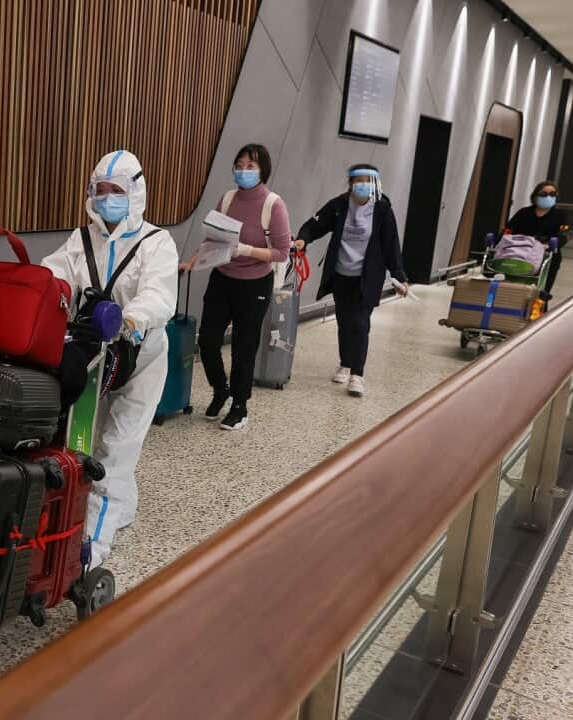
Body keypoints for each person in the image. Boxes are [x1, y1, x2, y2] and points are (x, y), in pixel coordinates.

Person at [41, 149, 178, 569]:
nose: (106, 199)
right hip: (91, 355)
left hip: (140, 356)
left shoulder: (157, 243)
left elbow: (158, 293)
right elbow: (53, 275)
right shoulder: (82, 240)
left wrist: (134, 317)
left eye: (116, 191)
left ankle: (89, 552)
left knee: (115, 449)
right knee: (77, 439)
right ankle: (116, 509)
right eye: (100, 191)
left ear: (135, 194)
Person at [183, 143, 292, 431]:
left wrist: (246, 249)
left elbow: (282, 252)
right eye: (239, 165)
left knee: (244, 348)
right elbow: (213, 238)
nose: (243, 171)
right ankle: (221, 389)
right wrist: (192, 262)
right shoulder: (228, 198)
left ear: (263, 171)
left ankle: (240, 405)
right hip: (223, 278)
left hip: (255, 283)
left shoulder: (273, 205)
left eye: (251, 166)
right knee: (207, 341)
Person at [294, 163, 408, 398]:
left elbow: (391, 246)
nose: (362, 185)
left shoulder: (383, 209)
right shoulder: (339, 205)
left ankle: (357, 374)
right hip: (341, 275)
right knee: (345, 322)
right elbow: (315, 224)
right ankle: (345, 364)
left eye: (367, 181)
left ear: (374, 184)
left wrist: (400, 277)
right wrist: (303, 239)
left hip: (367, 277)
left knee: (360, 324)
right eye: (358, 181)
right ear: (350, 184)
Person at [505, 181, 567, 298]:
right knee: (516, 290)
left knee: (541, 293)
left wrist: (549, 244)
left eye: (552, 194)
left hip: (547, 258)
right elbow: (508, 230)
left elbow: (564, 235)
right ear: (535, 196)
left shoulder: (560, 216)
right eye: (544, 194)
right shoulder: (524, 213)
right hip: (520, 255)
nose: (548, 197)